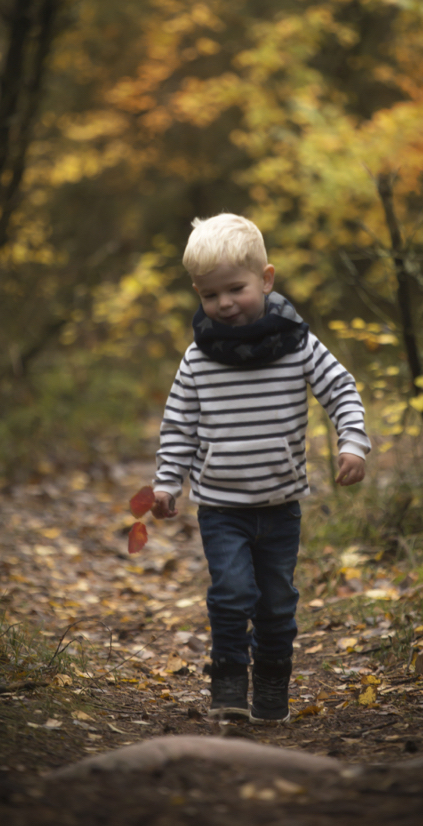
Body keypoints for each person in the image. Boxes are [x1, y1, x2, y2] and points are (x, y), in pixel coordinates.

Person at [151, 213, 370, 723]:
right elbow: (178, 423)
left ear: (265, 280)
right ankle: (228, 685)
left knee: (275, 604)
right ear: (197, 294)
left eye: (236, 288)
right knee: (231, 593)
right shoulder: (198, 358)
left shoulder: (296, 344)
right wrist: (167, 482)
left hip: (279, 506)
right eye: (210, 295)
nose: (224, 304)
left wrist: (353, 443)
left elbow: (341, 389)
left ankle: (272, 685)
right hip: (221, 506)